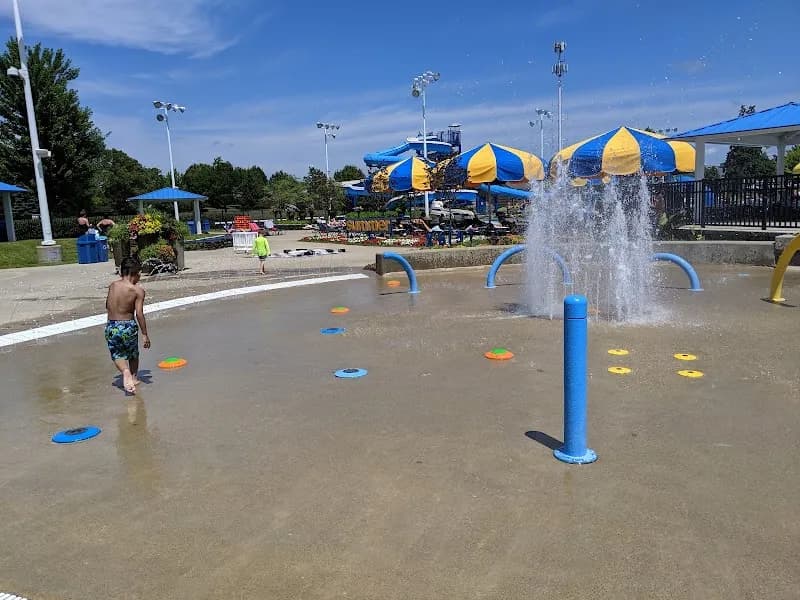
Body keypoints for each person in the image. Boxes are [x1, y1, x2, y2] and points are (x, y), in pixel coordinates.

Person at [105, 257, 150, 393]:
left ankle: (125, 372)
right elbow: (139, 314)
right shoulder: (137, 291)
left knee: (117, 354)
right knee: (133, 354)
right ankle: (134, 378)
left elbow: (107, 305)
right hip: (128, 326)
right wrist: (145, 334)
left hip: (111, 326)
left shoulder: (113, 286)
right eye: (139, 273)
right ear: (135, 273)